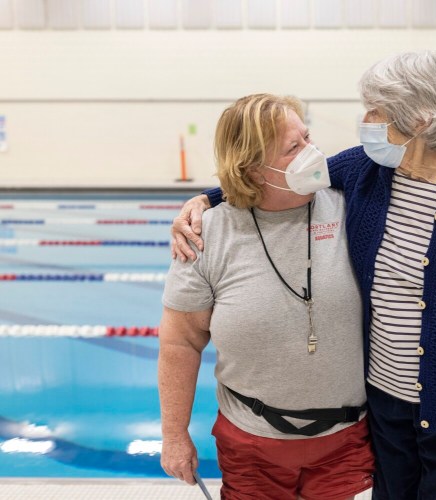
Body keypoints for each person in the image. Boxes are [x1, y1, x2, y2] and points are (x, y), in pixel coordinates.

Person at [173, 51, 436, 500]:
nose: (364, 120)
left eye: (376, 111)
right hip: (386, 414)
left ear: (421, 119)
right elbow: (268, 175)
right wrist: (205, 200)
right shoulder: (366, 172)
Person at [158, 93, 375, 500]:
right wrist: (174, 435)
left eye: (307, 137)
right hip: (250, 446)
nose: (313, 153)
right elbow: (180, 341)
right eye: (294, 148)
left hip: (348, 443)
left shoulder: (352, 211)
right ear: (254, 169)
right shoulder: (207, 234)